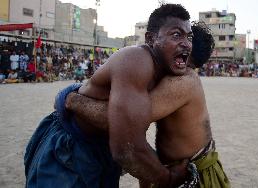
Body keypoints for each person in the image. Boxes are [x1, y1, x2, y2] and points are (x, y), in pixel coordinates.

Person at [24, 4, 194, 188]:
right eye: (176, 35)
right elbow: (127, 149)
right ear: (151, 38)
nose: (186, 43)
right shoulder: (136, 60)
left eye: (189, 36)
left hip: (102, 150)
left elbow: (134, 135)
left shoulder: (166, 73)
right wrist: (168, 178)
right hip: (69, 145)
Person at [65, 21, 230, 188]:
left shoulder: (181, 81)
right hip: (176, 168)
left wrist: (73, 100)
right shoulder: (171, 74)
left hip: (191, 175)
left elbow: (123, 121)